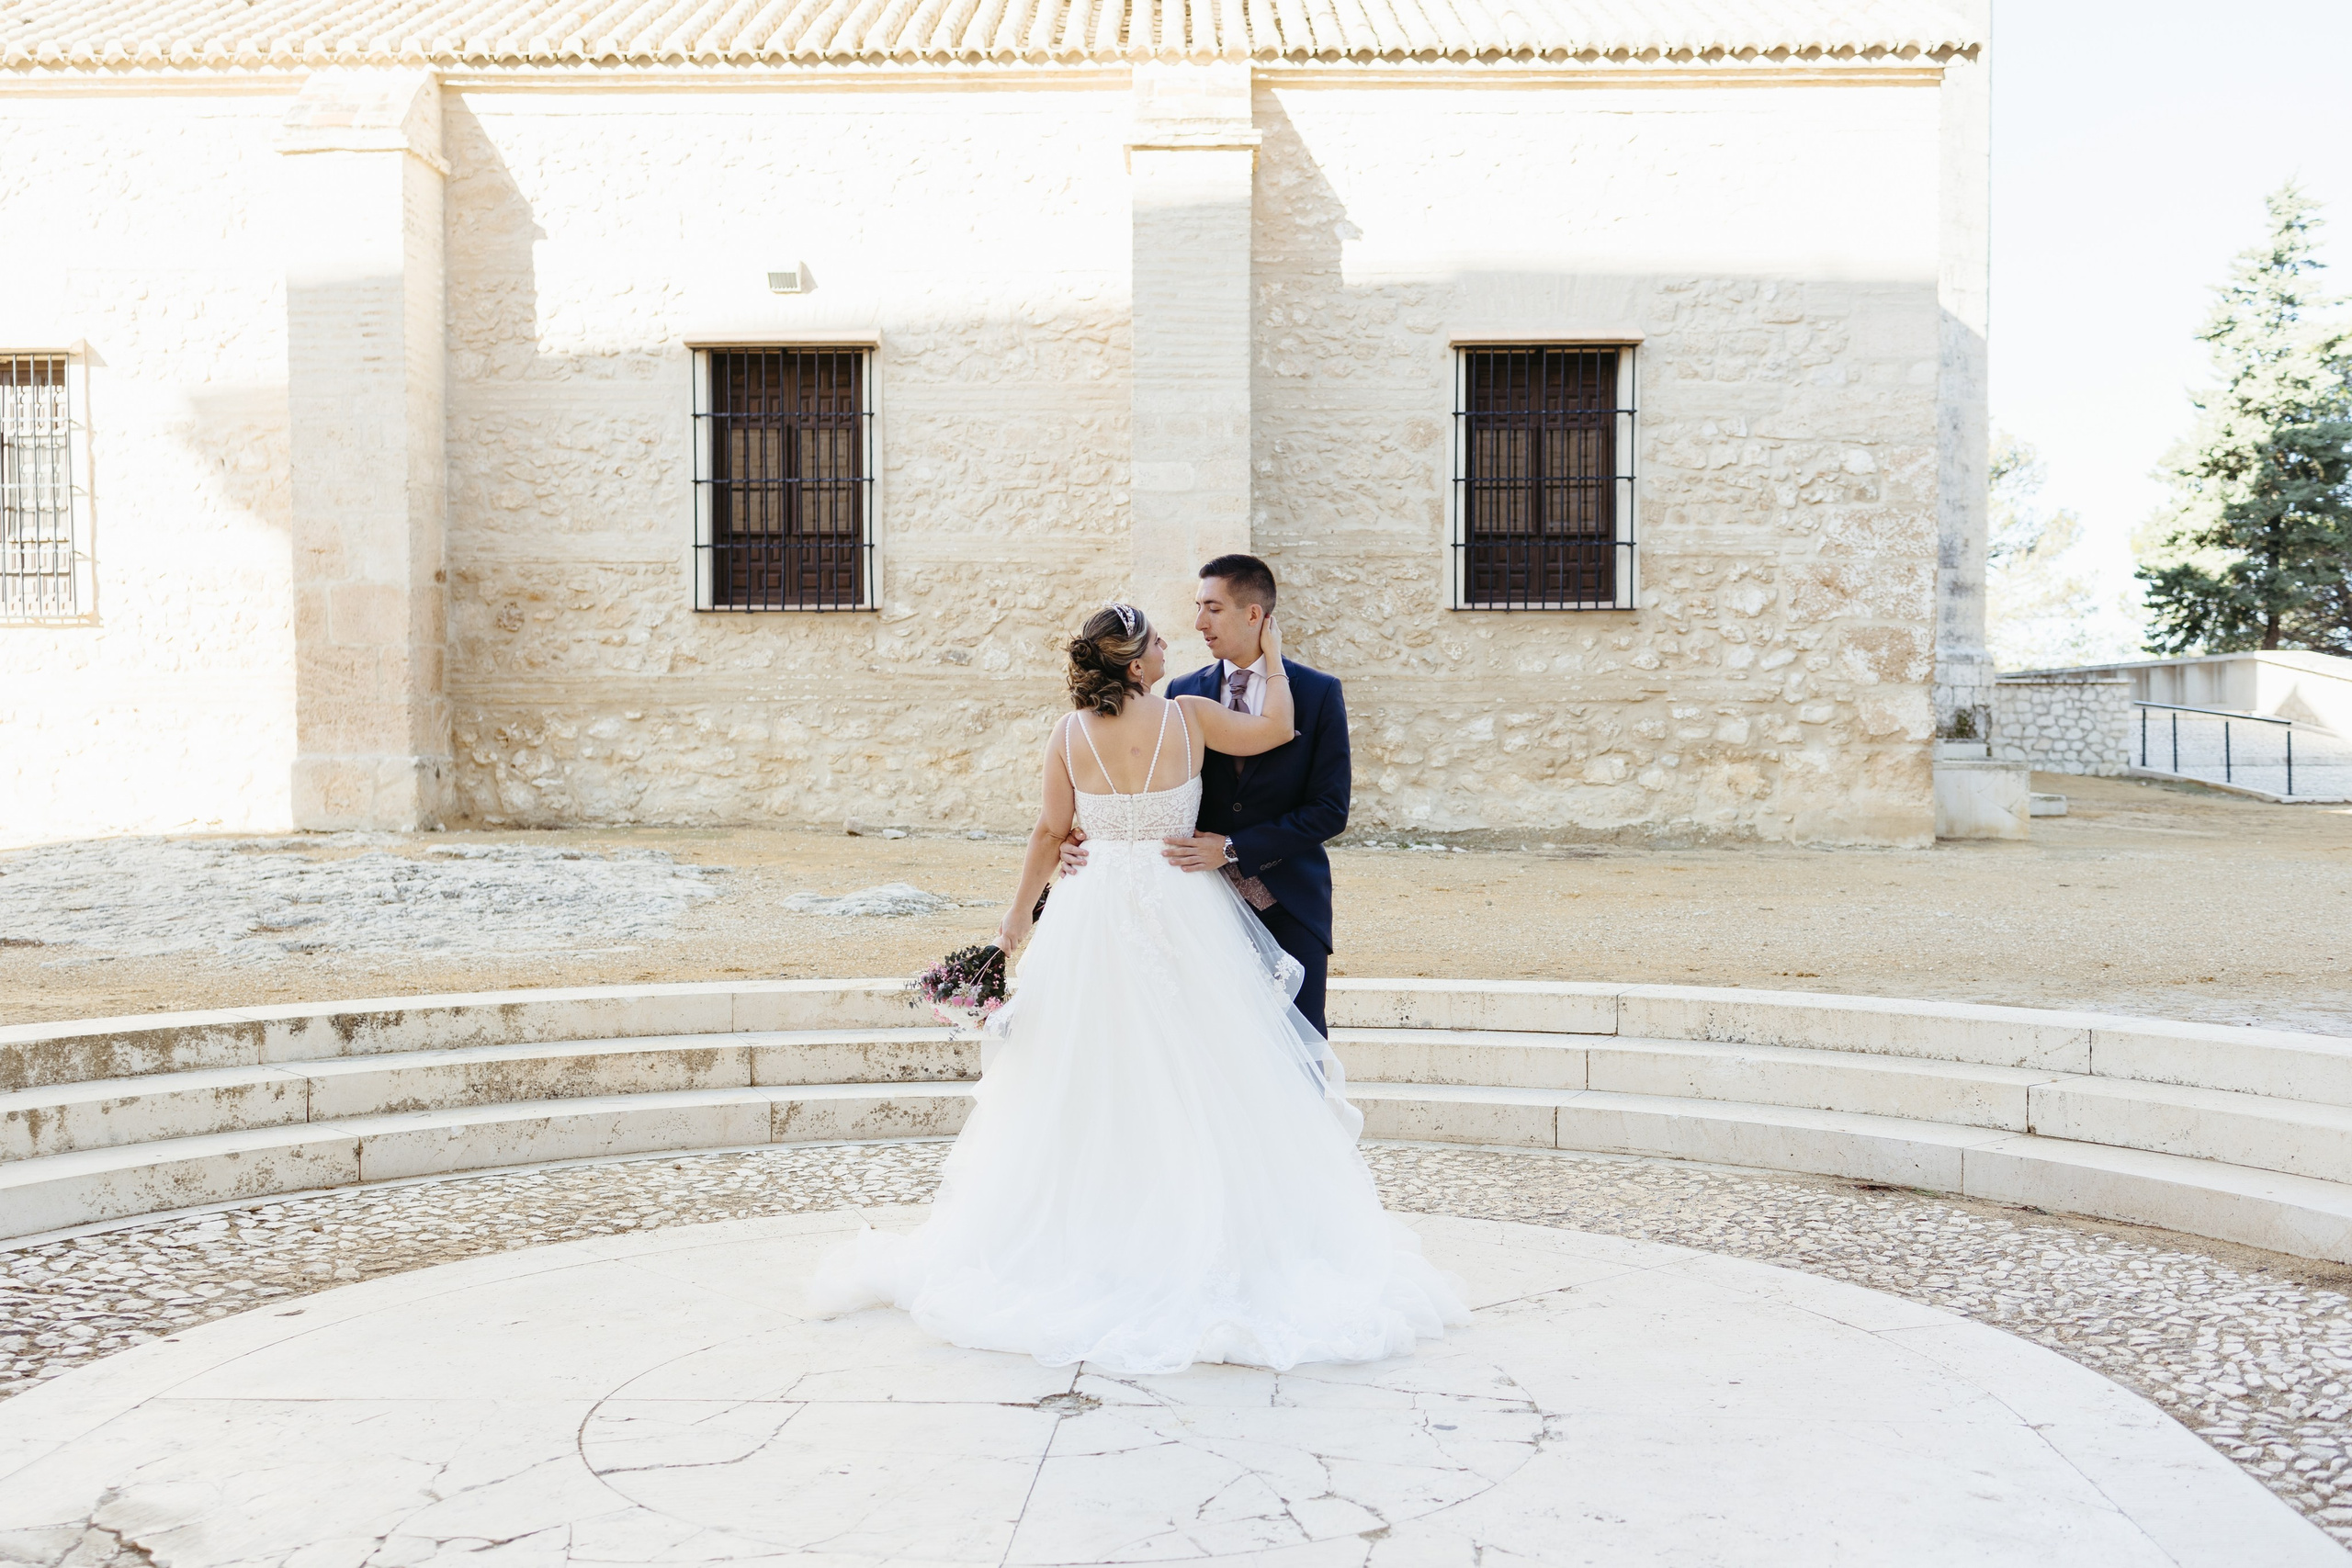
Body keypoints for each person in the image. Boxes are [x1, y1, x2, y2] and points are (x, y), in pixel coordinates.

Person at [808, 603, 1465, 1374]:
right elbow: (1278, 728)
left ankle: (1096, 1236)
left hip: (1092, 914)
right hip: (1181, 904)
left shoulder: (1067, 734)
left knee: (1087, 1075)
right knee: (1204, 1067)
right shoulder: (1190, 717)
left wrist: (1015, 919)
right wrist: (1276, 658)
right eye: (1155, 641)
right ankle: (1199, 1232)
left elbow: (1051, 833)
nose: (1167, 647)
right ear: (1131, 663)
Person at [1064, 554, 1350, 1038]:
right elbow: (1143, 782)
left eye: (1212, 608)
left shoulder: (1318, 693)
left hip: (1288, 899)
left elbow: (1329, 810)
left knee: (1300, 1043)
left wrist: (1234, 848)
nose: (1198, 624)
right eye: (1198, 607)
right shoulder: (1181, 693)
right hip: (1195, 907)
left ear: (1253, 615)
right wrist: (1089, 836)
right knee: (1213, 1046)